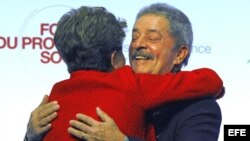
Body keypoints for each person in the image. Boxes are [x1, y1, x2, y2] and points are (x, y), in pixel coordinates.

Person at [24, 3, 224, 141]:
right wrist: (31, 136)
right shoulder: (123, 84)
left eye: (152, 38)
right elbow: (211, 80)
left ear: (180, 54)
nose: (138, 44)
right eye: (134, 37)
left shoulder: (200, 109)